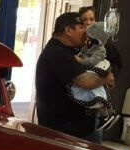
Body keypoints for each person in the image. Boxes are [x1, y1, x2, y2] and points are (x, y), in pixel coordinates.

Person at [36, 12, 115, 140]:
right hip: (63, 130)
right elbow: (85, 81)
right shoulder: (58, 52)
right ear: (68, 30)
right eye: (82, 27)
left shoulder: (70, 50)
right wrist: (106, 78)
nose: (86, 31)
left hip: (74, 128)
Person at [69, 22, 120, 132]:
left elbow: (92, 61)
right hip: (92, 72)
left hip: (95, 71)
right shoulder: (89, 46)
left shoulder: (100, 50)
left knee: (97, 94)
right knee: (96, 94)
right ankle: (106, 114)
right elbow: (84, 53)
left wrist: (81, 61)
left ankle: (107, 113)